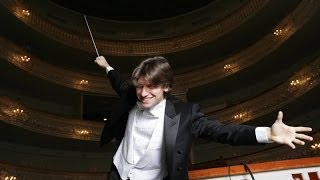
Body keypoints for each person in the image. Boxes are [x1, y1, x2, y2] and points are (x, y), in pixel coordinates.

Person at [94, 55, 313, 180]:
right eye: (140, 86)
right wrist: (107, 66)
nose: (143, 93)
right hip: (118, 173)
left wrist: (267, 134)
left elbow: (222, 131)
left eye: (152, 87)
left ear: (167, 87)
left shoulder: (185, 114)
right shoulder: (131, 94)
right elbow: (119, 82)